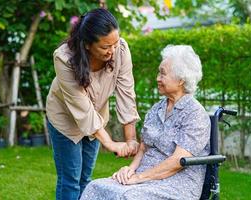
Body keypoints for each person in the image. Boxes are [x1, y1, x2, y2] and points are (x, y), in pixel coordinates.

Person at [80, 45, 211, 200]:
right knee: (94, 187)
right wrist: (130, 170)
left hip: (176, 184)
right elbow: (143, 149)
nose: (157, 78)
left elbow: (178, 161)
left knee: (128, 196)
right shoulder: (157, 109)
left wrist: (139, 178)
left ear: (181, 80)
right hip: (145, 177)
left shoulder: (195, 114)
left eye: (163, 74)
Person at [46, 8, 140, 200]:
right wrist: (111, 144)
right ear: (87, 44)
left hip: (96, 119)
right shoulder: (64, 58)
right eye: (106, 47)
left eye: (115, 44)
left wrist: (131, 139)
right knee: (70, 180)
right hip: (65, 120)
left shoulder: (120, 49)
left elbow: (126, 93)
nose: (112, 51)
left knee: (85, 179)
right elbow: (82, 108)